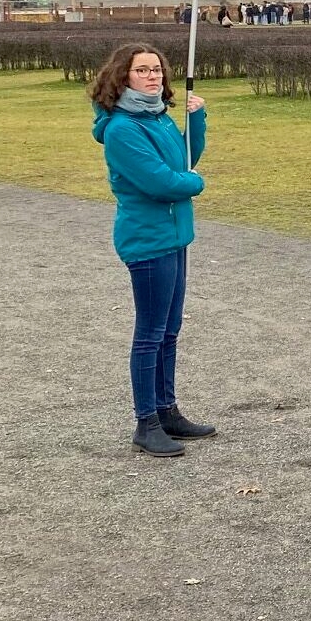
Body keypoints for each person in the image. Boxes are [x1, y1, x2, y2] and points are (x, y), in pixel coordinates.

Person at [89, 43, 214, 458]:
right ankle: (146, 422)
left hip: (175, 237)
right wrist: (195, 185)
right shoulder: (123, 129)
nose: (153, 76)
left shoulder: (159, 117)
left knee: (170, 329)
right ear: (122, 76)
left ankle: (167, 410)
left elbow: (186, 158)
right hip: (148, 240)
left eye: (157, 70)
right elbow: (163, 182)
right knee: (150, 333)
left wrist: (196, 120)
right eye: (143, 71)